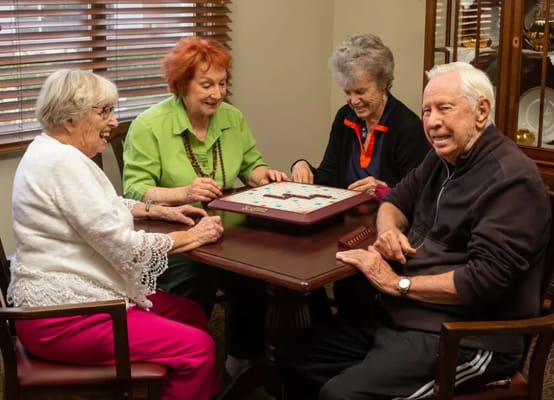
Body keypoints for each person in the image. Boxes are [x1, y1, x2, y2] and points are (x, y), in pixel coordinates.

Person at [283, 61, 551, 399]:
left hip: (466, 337)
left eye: (444, 109)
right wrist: (388, 230)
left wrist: (397, 283)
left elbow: (482, 280)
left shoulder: (511, 180)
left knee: (342, 395)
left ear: (482, 111)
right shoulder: (441, 159)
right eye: (427, 111)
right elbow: (394, 200)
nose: (432, 122)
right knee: (294, 356)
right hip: (404, 316)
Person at [8, 69, 224, 400]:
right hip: (63, 318)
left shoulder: (51, 151)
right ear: (70, 119)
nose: (113, 122)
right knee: (200, 349)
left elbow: (101, 206)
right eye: (104, 111)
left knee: (189, 313)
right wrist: (192, 237)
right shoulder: (61, 163)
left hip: (62, 303)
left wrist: (157, 210)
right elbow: (123, 245)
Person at [122, 36, 288, 376]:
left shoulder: (232, 118)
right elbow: (133, 190)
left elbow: (251, 164)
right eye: (207, 84)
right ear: (182, 84)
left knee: (258, 272)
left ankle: (243, 359)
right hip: (174, 232)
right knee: (196, 276)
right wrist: (183, 192)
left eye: (223, 83)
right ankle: (186, 360)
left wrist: (264, 175)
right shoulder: (149, 125)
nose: (217, 93)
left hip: (227, 228)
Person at [291, 33, 428, 199]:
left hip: (386, 218)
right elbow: (329, 175)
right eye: (347, 92)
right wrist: (302, 166)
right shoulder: (345, 117)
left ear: (383, 83)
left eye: (360, 91)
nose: (354, 101)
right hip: (345, 216)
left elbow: (418, 195)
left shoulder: (408, 127)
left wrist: (384, 190)